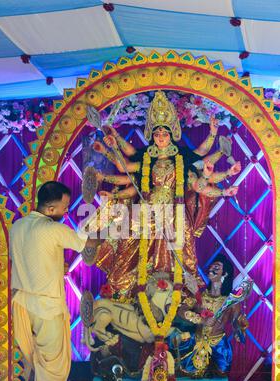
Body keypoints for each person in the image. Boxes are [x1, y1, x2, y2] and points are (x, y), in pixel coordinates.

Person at [90, 91, 240, 302]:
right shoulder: (146, 159)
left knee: (182, 256)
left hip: (174, 213)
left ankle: (181, 298)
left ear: (171, 135)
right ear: (153, 135)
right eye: (157, 134)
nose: (160, 138)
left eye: (165, 134)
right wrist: (111, 144)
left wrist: (224, 188)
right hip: (147, 210)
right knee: (129, 247)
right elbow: (123, 166)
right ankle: (124, 293)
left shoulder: (182, 161)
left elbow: (199, 181)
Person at [10, 181, 101, 381]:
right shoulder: (51, 228)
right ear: (50, 209)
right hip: (46, 305)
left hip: (22, 302)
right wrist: (103, 232)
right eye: (64, 206)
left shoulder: (17, 226)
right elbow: (88, 248)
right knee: (53, 366)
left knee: (37, 363)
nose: (66, 211)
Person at [170, 254, 249, 377]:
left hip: (219, 345)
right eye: (211, 267)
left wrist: (240, 329)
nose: (211, 269)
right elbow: (181, 310)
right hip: (196, 341)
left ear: (225, 274)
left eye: (216, 267)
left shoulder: (231, 301)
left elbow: (236, 321)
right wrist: (201, 320)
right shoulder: (199, 296)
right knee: (190, 375)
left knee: (221, 376)